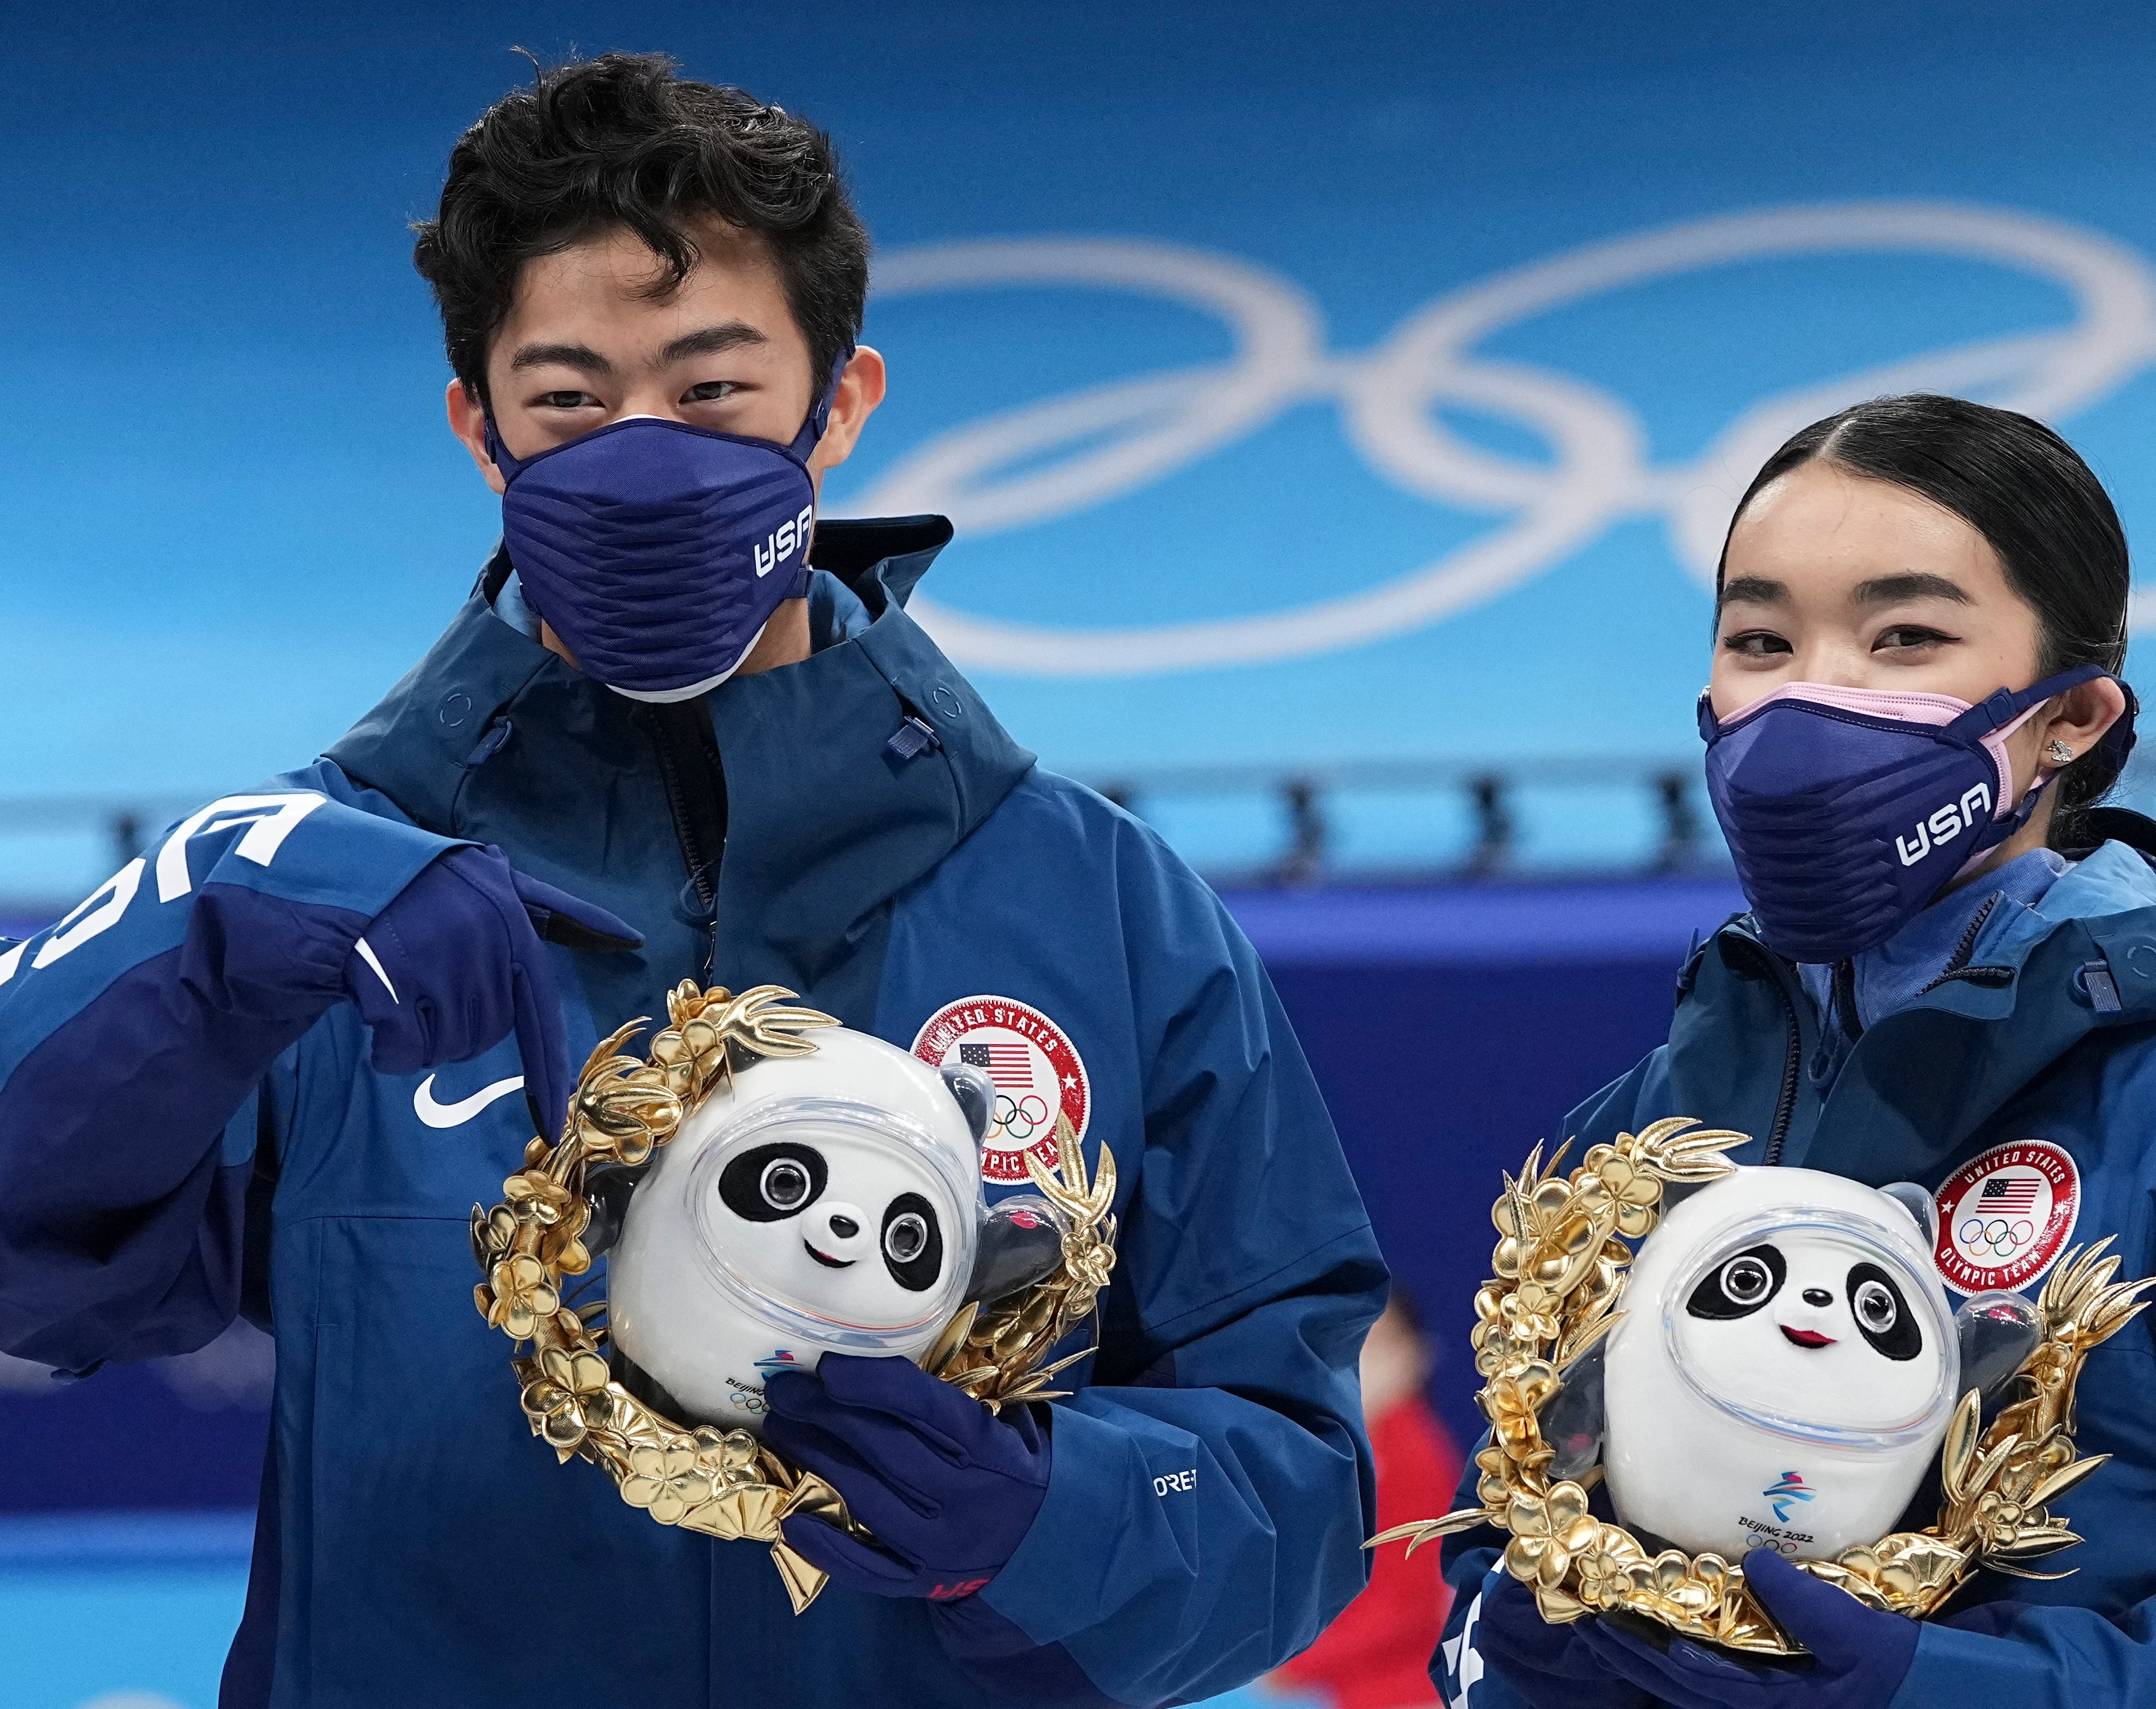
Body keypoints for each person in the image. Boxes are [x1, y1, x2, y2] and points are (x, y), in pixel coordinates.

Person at [0, 54, 1385, 1709]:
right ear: (478, 428)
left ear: (842, 401)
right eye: (572, 400)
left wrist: (1047, 1515)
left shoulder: (1106, 911)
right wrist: (206, 930)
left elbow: (1294, 1488)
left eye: (713, 392)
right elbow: (35, 1258)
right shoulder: (319, 902)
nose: (642, 459)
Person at [1430, 394, 2156, 1708]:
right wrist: (1518, 1648)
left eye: (1904, 635)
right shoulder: (1638, 1132)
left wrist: (1958, 1690)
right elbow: (1497, 1554)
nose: (1811, 695)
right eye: (1760, 637)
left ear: (2070, 716)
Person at [1275, 1288, 1465, 1709]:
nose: (1358, 1363)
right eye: (1347, 1343)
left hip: (1398, 1689)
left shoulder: (1413, 1450)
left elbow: (1408, 1608)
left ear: (1414, 1357)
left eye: (1376, 1345)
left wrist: (1294, 1666)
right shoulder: (1338, 1449)